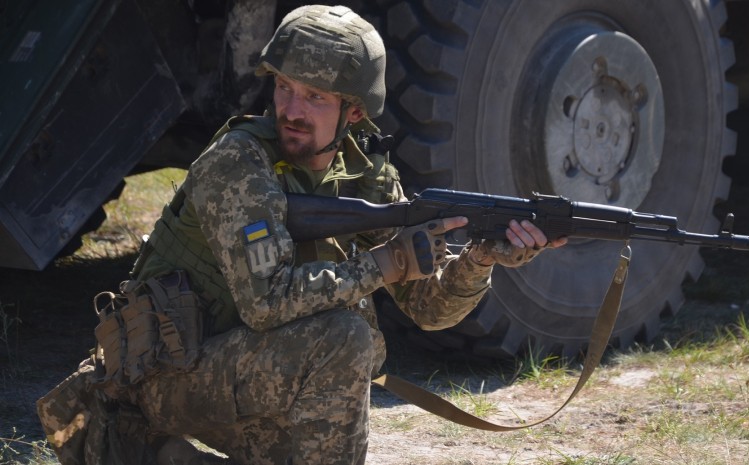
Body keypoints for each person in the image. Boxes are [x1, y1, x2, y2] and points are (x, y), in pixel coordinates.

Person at [36, 5, 565, 465]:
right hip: (158, 376)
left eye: (315, 97)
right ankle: (146, 437)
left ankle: (166, 456)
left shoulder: (366, 177)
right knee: (344, 338)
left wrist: (480, 260)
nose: (291, 109)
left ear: (353, 112)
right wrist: (383, 264)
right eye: (285, 88)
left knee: (318, 420)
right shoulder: (238, 165)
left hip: (235, 366)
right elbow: (268, 302)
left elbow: (428, 310)